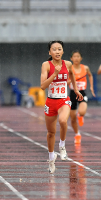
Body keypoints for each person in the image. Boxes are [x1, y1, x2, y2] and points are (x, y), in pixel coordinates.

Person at [40, 41, 83, 174]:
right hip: (50, 102)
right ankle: (51, 157)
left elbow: (72, 76)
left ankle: (62, 146)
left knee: (63, 121)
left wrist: (75, 90)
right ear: (50, 52)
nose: (57, 52)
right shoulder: (46, 65)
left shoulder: (68, 64)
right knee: (51, 133)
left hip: (64, 100)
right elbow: (42, 86)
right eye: (54, 49)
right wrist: (54, 74)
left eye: (60, 49)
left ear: (63, 51)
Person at [68, 50, 95, 144]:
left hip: (82, 92)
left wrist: (91, 87)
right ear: (71, 58)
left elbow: (90, 76)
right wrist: (72, 80)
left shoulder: (85, 68)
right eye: (74, 56)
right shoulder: (69, 69)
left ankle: (80, 115)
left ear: (81, 58)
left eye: (78, 56)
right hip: (72, 93)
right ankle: (77, 134)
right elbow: (66, 82)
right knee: (72, 117)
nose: (76, 58)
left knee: (82, 111)